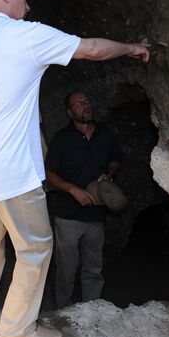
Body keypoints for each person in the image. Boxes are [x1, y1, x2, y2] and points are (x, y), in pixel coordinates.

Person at [0, 0, 150, 337]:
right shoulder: (25, 36)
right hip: (11, 173)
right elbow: (92, 49)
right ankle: (17, 329)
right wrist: (131, 48)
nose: (28, 4)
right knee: (35, 247)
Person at [45, 91, 121, 309]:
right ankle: (63, 312)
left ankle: (91, 310)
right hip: (68, 216)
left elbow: (116, 159)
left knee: (94, 269)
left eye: (86, 101)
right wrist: (72, 190)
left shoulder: (105, 135)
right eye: (78, 104)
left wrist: (109, 174)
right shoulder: (61, 139)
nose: (84, 105)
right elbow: (49, 175)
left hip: (96, 215)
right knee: (66, 270)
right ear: (70, 112)